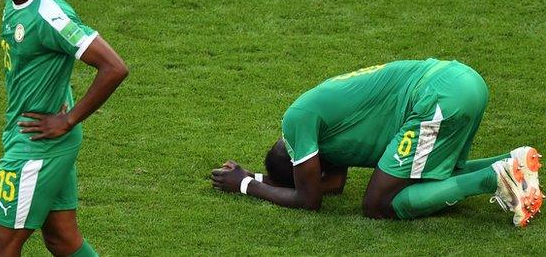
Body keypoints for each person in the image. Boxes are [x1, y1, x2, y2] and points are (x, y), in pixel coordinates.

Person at [211, 58, 543, 226]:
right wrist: (258, 176)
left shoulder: (297, 120)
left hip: (438, 97)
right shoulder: (331, 134)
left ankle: (494, 177)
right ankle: (513, 161)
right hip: (464, 81)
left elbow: (308, 198)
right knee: (433, 177)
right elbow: (333, 184)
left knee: (377, 204)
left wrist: (244, 184)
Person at [0, 0, 128, 256]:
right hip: (33, 134)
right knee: (61, 238)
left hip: (37, 145)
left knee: (0, 249)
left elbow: (115, 68)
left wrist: (67, 120)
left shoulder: (50, 15)